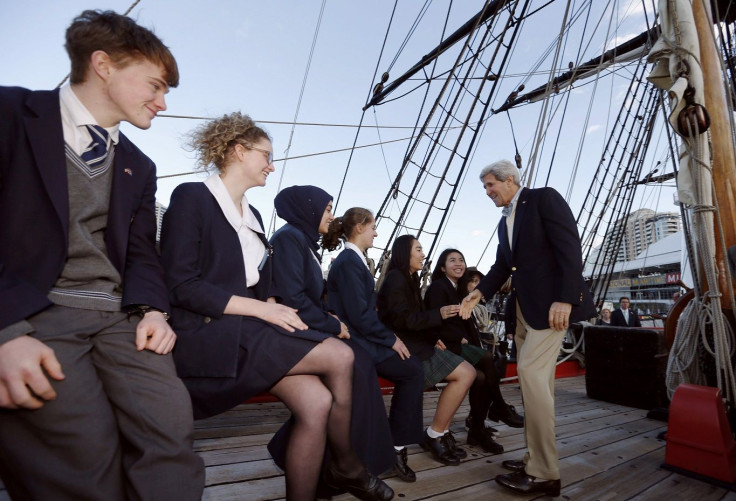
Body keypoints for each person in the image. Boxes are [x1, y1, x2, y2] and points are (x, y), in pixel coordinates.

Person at [0, 10, 205, 500]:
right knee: (83, 454)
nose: (162, 103)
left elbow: (141, 253)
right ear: (104, 65)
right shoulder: (10, 115)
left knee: (171, 430)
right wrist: (5, 330)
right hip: (36, 310)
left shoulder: (138, 163)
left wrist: (153, 308)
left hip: (118, 317)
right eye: (155, 86)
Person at [160, 113, 392, 501]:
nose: (272, 164)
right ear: (238, 150)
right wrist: (264, 311)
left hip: (248, 328)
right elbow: (181, 285)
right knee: (340, 356)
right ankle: (349, 466)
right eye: (266, 154)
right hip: (206, 329)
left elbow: (259, 283)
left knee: (316, 402)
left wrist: (268, 305)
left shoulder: (251, 216)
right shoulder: (193, 197)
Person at [459, 159, 596, 497]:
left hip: (551, 309)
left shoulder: (543, 199)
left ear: (509, 180)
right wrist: (478, 293)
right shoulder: (506, 220)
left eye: (490, 185)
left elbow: (569, 246)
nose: (488, 192)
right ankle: (534, 457)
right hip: (523, 312)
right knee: (536, 386)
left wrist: (567, 298)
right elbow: (503, 266)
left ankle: (544, 472)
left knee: (531, 377)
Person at [269, 185, 395, 482]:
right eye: (326, 209)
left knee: (357, 367)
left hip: (307, 325)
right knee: (356, 364)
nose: (331, 215)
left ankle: (343, 457)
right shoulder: (290, 239)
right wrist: (332, 324)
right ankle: (344, 459)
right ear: (307, 209)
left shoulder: (303, 241)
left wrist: (328, 316)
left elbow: (308, 298)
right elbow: (293, 299)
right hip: (289, 331)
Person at [324, 208, 426, 481]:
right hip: (356, 342)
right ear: (359, 227)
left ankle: (394, 445)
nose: (376, 232)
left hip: (362, 337)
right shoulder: (348, 262)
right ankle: (393, 447)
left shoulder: (354, 260)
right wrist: (391, 339)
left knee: (413, 370)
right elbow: (359, 315)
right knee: (413, 371)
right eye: (373, 227)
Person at [376, 235, 476, 466]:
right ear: (405, 254)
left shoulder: (409, 279)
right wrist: (438, 314)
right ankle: (434, 434)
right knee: (466, 374)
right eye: (418, 250)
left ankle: (438, 432)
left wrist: (433, 338)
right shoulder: (396, 279)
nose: (423, 254)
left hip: (419, 344)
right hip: (405, 349)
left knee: (468, 373)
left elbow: (415, 320)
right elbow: (401, 320)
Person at [425, 249, 523, 455]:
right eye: (452, 261)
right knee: (487, 359)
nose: (459, 263)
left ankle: (477, 428)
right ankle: (499, 406)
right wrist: (457, 338)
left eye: (461, 259)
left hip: (460, 343)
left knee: (480, 377)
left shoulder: (458, 290)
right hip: (448, 345)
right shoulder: (438, 288)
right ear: (442, 268)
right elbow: (433, 320)